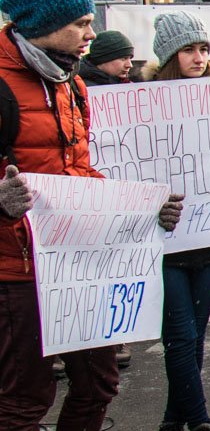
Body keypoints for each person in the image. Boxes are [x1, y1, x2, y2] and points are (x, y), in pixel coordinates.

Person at [0, 0, 181, 431]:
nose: (90, 33)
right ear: (43, 24)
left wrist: (138, 209)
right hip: (15, 268)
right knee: (23, 397)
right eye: (80, 23)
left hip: (76, 260)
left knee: (99, 376)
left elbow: (77, 173)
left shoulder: (71, 84)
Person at [146, 12, 210, 431]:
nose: (199, 58)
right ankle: (201, 428)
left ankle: (168, 424)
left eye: (203, 49)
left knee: (192, 339)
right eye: (188, 50)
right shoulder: (141, 102)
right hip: (164, 241)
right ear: (168, 56)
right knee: (179, 337)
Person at [75, 29, 136, 371]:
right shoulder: (85, 88)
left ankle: (110, 338)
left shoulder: (126, 90)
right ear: (102, 59)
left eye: (130, 57)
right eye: (122, 57)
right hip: (92, 191)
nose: (129, 64)